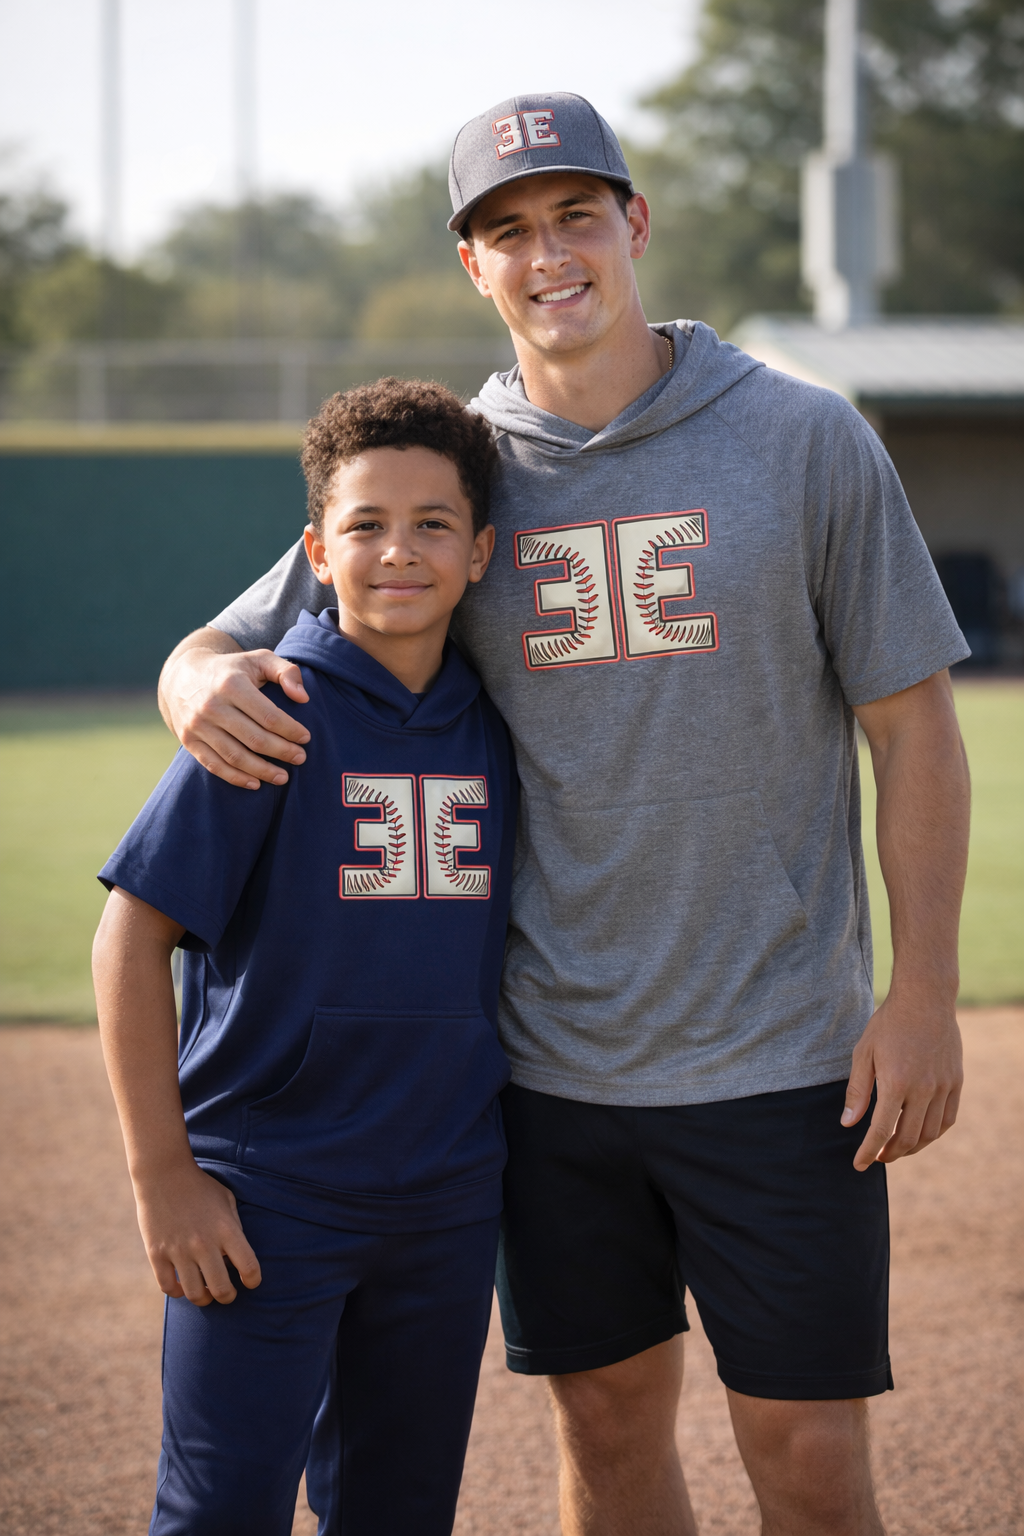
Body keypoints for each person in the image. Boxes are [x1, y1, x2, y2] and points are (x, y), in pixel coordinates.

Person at [157, 94, 972, 1536]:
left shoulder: (804, 439)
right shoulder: (458, 473)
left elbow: (911, 725)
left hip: (781, 1053)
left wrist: (920, 996)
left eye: (576, 217)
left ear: (635, 225)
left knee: (809, 1458)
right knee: (602, 1428)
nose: (550, 257)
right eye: (509, 232)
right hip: (548, 1074)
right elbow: (232, 638)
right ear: (475, 267)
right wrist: (189, 686)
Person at [92, 379, 519, 1536]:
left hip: (442, 1196)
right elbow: (130, 937)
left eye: (434, 525)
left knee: (396, 1510)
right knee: (222, 1510)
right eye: (365, 526)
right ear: (315, 554)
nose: (399, 551)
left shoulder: (498, 729)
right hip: (266, 1196)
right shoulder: (267, 710)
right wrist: (163, 1180)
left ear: (480, 551)